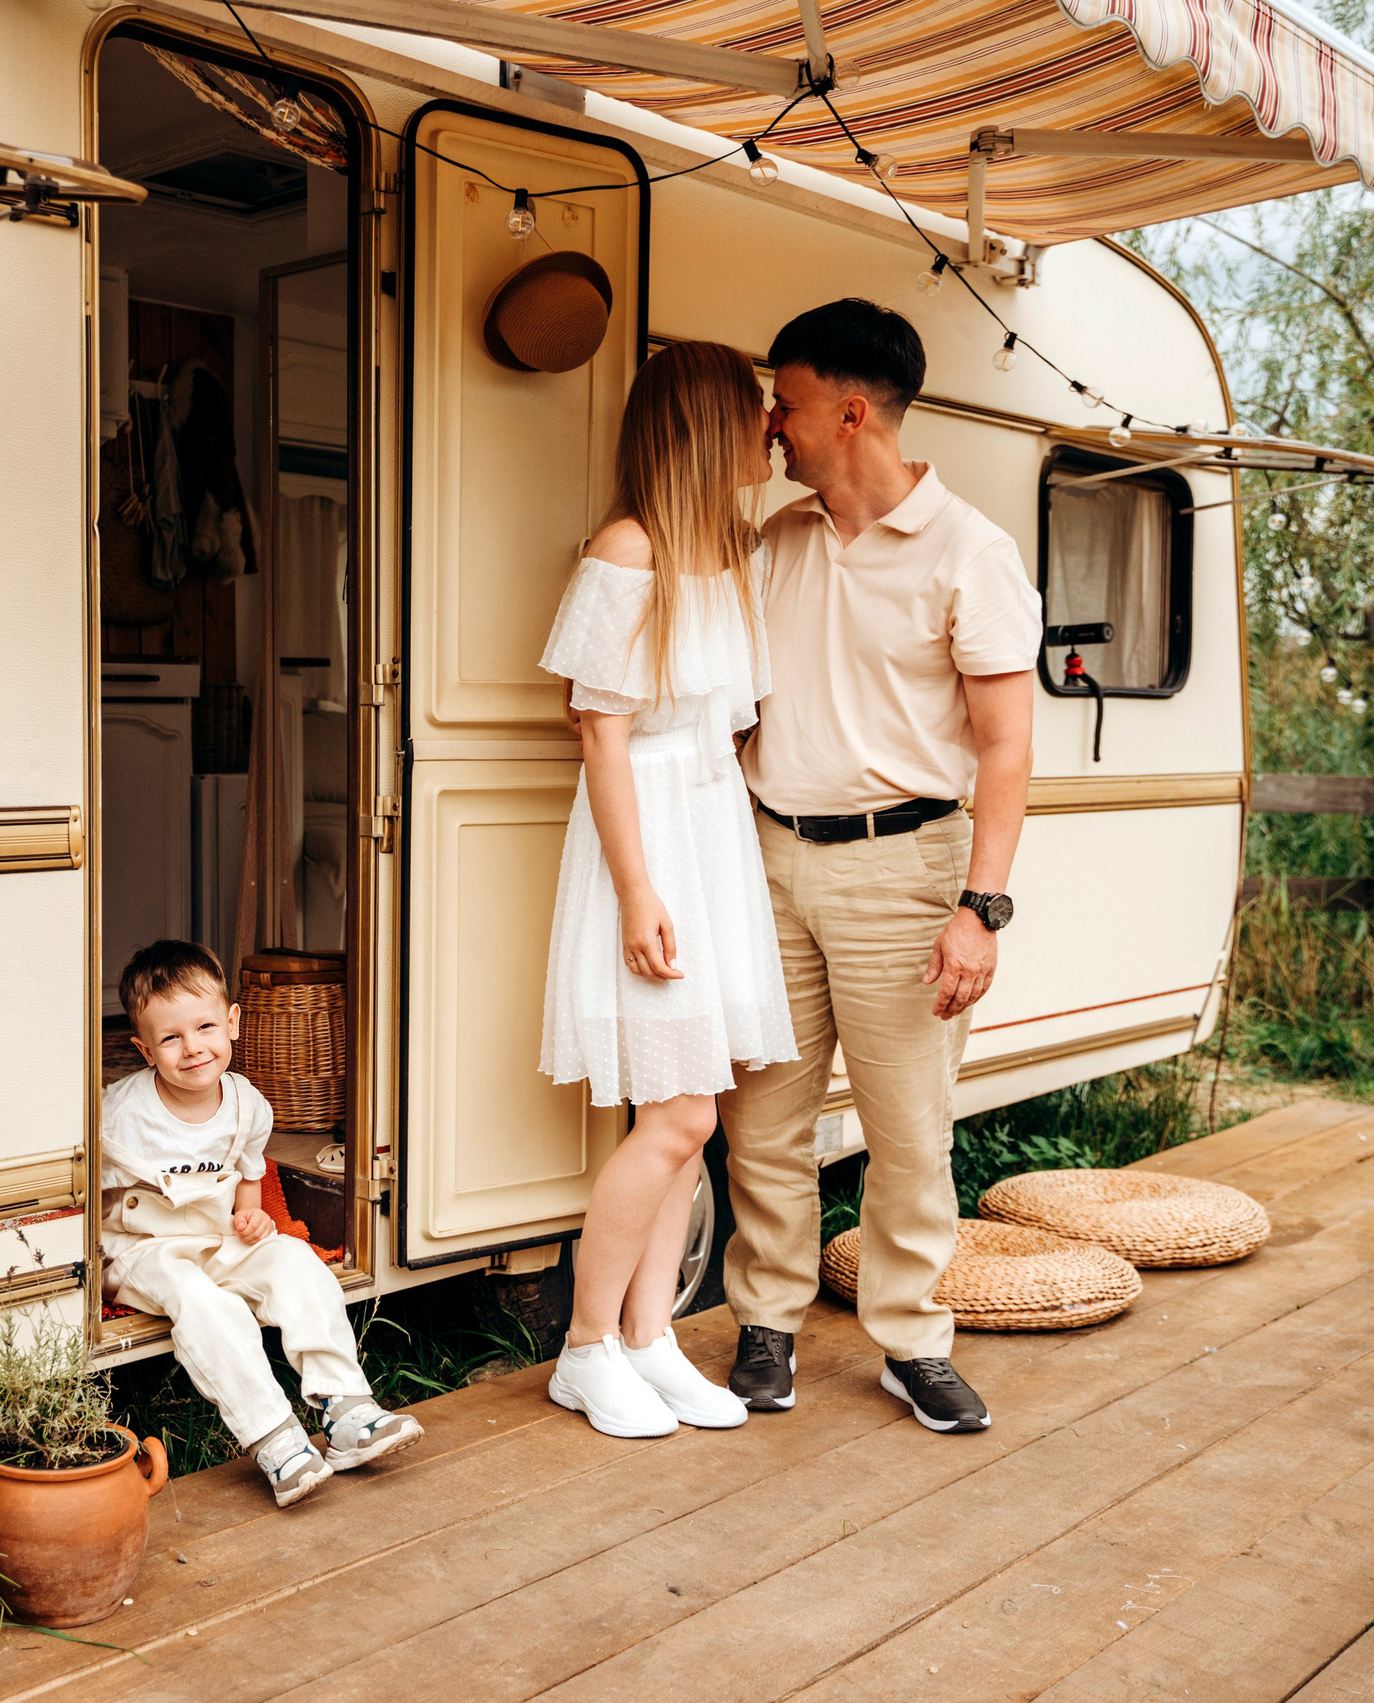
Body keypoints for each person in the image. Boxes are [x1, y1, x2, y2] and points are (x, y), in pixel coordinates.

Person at [718, 298, 1039, 1434]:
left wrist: (979, 908)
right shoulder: (778, 541)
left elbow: (1006, 746)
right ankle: (766, 1322)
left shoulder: (972, 553)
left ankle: (911, 1341)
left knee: (908, 1128)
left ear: (850, 412)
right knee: (764, 1119)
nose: (771, 422)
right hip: (767, 858)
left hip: (905, 868)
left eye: (787, 402)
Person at [536, 340, 800, 1440]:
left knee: (693, 1122)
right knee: (679, 1113)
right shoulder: (629, 548)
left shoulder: (729, 552)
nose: (771, 429)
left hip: (708, 834)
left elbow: (731, 725)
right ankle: (585, 1345)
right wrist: (640, 887)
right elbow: (599, 732)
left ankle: (649, 1338)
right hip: (645, 842)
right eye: (754, 412)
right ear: (702, 427)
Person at [101, 939, 423, 1505]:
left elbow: (248, 1174)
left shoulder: (248, 1104)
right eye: (171, 1038)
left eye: (205, 1027)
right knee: (205, 1304)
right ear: (145, 1050)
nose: (192, 1048)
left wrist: (250, 1214)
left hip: (216, 1235)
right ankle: (275, 1437)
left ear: (232, 1022)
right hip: (146, 1248)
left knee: (296, 1263)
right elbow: (84, 1190)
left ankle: (346, 1408)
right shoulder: (118, 1114)